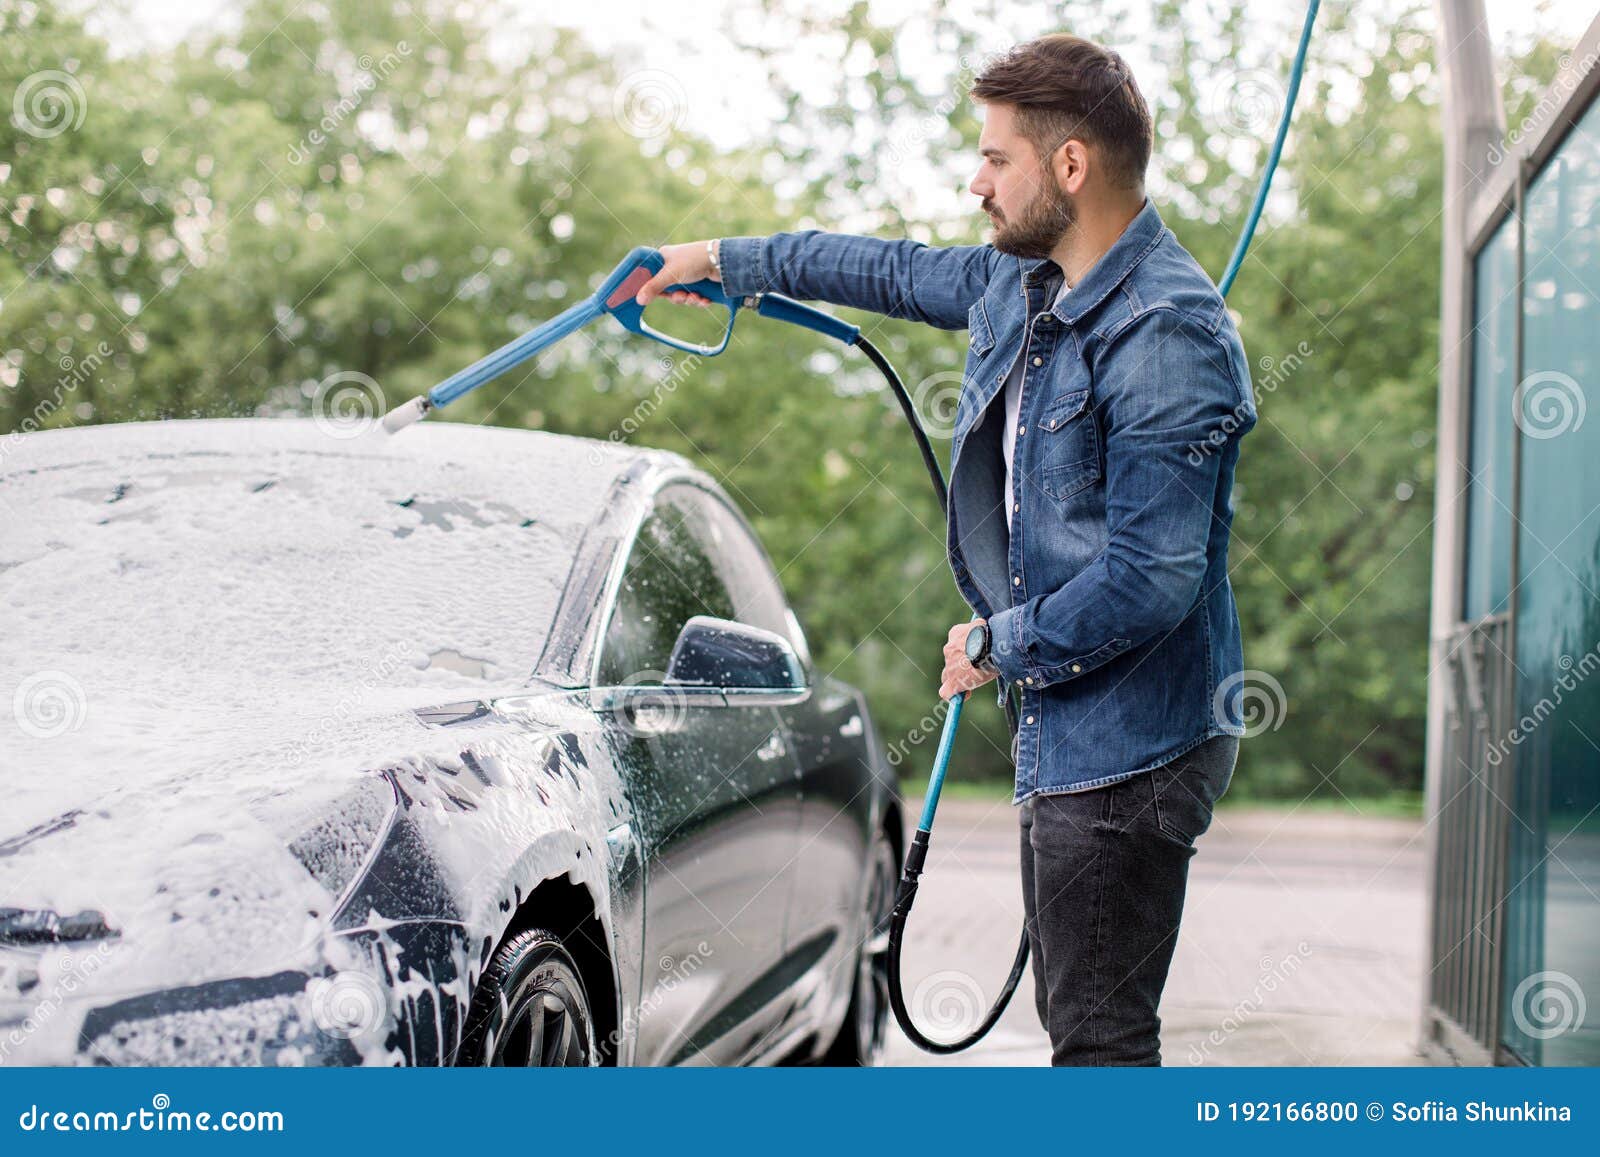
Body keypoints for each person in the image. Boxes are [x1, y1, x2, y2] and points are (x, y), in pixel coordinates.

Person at [634, 32, 1254, 1066]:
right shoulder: (1027, 283)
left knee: (1100, 1039)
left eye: (995, 158)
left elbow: (1151, 579)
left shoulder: (1166, 334)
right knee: (1081, 1023)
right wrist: (721, 263)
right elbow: (885, 269)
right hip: (1069, 721)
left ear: (1069, 166)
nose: (976, 182)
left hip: (1132, 745)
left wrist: (999, 642)